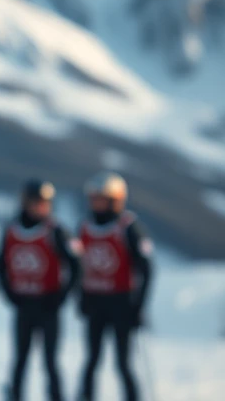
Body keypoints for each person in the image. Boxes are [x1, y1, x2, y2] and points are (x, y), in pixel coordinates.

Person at [0, 180, 80, 401]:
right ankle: (16, 395)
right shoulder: (12, 230)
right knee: (21, 358)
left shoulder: (57, 230)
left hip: (48, 305)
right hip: (24, 305)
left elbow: (76, 265)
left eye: (45, 203)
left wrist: (61, 296)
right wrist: (9, 293)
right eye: (37, 203)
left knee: (50, 360)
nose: (41, 207)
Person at [77, 171, 154, 401]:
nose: (95, 203)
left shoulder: (129, 228)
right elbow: (80, 266)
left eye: (100, 198)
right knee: (92, 359)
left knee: (123, 363)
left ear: (115, 199)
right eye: (93, 198)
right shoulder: (86, 227)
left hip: (121, 303)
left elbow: (147, 269)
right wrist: (82, 296)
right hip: (95, 303)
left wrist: (138, 305)